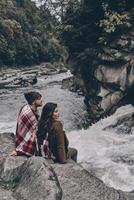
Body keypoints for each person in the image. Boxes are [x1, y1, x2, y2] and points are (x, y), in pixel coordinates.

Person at [11, 91, 43, 157]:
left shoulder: (30, 107)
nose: (42, 100)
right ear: (34, 101)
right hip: (24, 138)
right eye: (39, 99)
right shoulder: (28, 113)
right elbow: (37, 128)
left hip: (23, 133)